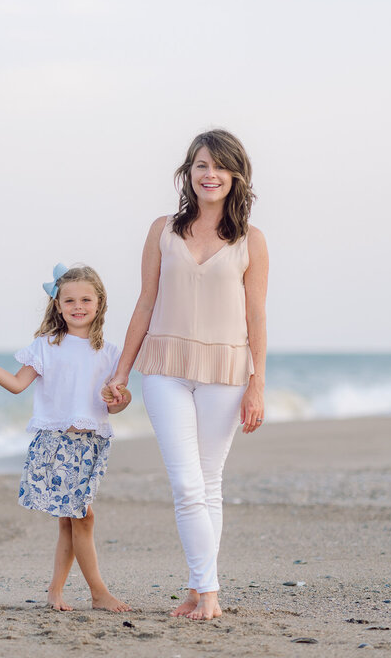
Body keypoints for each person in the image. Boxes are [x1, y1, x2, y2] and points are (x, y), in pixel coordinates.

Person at [102, 129, 269, 621]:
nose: (209, 174)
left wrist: (257, 382)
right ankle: (208, 590)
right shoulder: (163, 230)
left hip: (227, 370)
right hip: (164, 369)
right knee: (186, 483)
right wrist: (121, 373)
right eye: (200, 165)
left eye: (219, 166)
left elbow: (256, 315)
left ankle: (201, 591)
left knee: (209, 482)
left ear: (236, 176)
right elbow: (145, 302)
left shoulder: (251, 240)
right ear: (188, 173)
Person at [0, 264, 132, 613]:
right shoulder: (46, 346)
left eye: (86, 299)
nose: (77, 306)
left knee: (71, 520)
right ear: (57, 305)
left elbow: (118, 404)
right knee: (82, 518)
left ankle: (55, 592)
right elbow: (16, 384)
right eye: (69, 300)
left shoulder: (111, 352)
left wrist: (119, 399)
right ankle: (98, 592)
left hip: (92, 444)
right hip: (56, 443)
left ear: (100, 303)